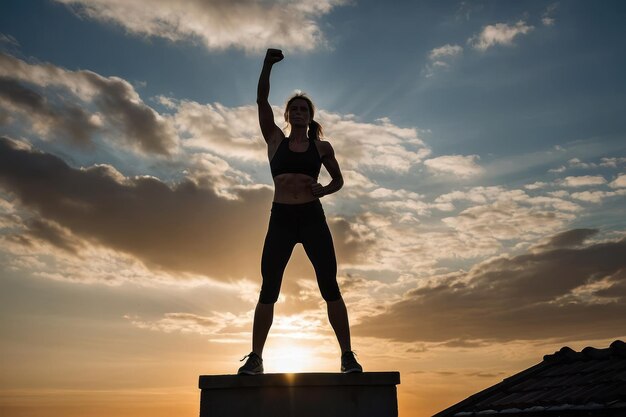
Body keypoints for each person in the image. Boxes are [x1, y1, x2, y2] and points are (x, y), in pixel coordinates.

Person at [238, 48, 362, 375]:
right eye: (293, 109)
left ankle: (347, 356)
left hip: (311, 219)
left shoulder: (322, 148)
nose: (298, 112)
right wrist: (267, 64)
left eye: (303, 109)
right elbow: (261, 101)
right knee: (269, 288)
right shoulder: (274, 140)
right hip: (280, 219)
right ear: (287, 115)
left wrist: (326, 189)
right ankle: (256, 358)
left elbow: (339, 180)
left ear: (310, 116)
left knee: (329, 285)